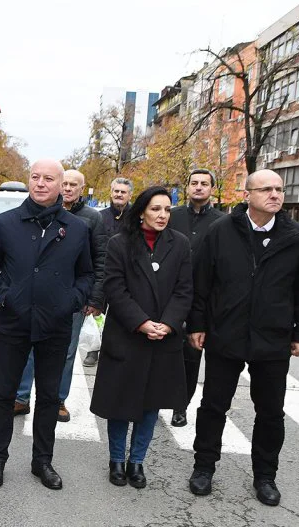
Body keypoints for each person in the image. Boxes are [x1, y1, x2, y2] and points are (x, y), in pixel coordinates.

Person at [187, 169, 299, 507]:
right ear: (248, 194)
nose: (275, 195)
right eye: (266, 189)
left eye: (279, 189)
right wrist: (197, 324)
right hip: (225, 334)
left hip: (272, 339)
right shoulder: (221, 231)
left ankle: (265, 476)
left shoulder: (297, 236)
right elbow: (202, 282)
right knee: (214, 406)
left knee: (271, 412)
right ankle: (203, 467)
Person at [0, 159, 95, 491]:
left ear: (61, 185)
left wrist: (72, 301)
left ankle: (42, 460)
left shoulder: (76, 228)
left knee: (48, 397)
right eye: (35, 177)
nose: (41, 183)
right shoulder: (6, 223)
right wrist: (5, 297)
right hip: (14, 323)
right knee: (4, 393)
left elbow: (87, 273)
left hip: (55, 326)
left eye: (49, 179)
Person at [90, 186, 193, 489]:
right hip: (127, 336)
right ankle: (116, 460)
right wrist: (142, 323)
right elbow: (115, 289)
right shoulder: (120, 244)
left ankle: (137, 462)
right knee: (120, 405)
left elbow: (184, 290)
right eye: (156, 209)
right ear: (142, 212)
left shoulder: (180, 244)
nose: (162, 215)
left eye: (167, 210)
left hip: (164, 339)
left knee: (151, 405)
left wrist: (169, 324)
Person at [13, 169, 106, 422]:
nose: (68, 188)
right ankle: (21, 397)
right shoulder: (41, 214)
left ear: (81, 188)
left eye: (73, 185)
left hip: (71, 298)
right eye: (64, 183)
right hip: (38, 297)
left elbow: (98, 260)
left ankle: (58, 400)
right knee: (30, 347)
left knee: (66, 351)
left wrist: (93, 298)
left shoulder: (91, 218)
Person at [167, 169, 224, 427]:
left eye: (204, 183)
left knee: (190, 356)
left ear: (212, 188)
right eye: (194, 183)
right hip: (167, 293)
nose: (199, 187)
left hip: (201, 299)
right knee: (160, 350)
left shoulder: (222, 222)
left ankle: (181, 405)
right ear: (187, 187)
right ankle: (152, 399)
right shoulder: (172, 215)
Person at [86, 176, 133, 367]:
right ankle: (93, 349)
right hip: (102, 273)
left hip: (127, 275)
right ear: (111, 192)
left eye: (123, 192)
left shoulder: (137, 217)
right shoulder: (100, 216)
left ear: (130, 194)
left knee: (122, 315)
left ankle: (117, 350)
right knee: (97, 313)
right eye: (116, 191)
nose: (119, 194)